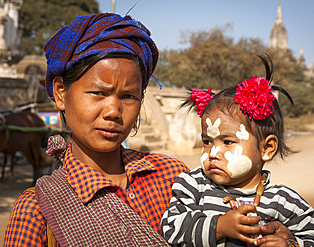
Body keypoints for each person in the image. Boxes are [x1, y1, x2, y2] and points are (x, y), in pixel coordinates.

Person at [3, 13, 189, 246]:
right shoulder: (36, 211)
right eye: (99, 93)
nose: (113, 111)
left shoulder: (174, 178)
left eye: (129, 96)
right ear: (61, 92)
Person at [160, 54, 314, 247]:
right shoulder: (193, 186)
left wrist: (291, 244)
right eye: (207, 141)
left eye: (227, 141)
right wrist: (218, 227)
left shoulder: (284, 201)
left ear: (267, 148)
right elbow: (169, 227)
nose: (213, 152)